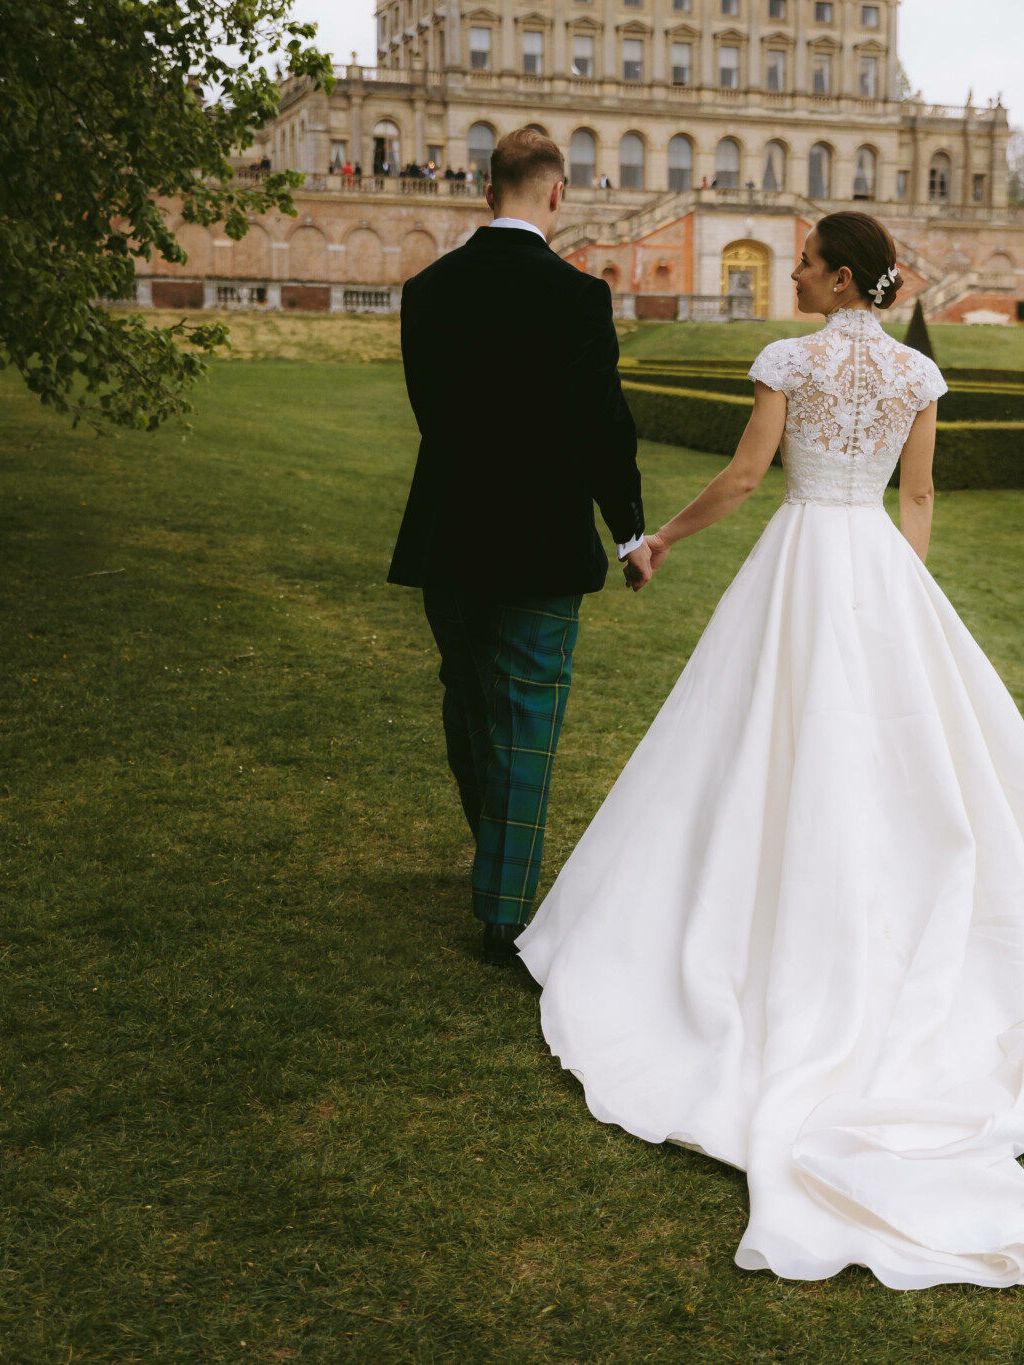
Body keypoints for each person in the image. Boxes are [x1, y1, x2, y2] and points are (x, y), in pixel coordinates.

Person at [517, 211, 1024, 1290]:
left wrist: (660, 539)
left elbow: (749, 480)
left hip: (802, 558)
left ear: (839, 276)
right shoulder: (914, 375)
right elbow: (918, 497)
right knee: (894, 766)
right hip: (880, 572)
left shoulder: (787, 358)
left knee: (752, 745)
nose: (790, 270)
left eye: (803, 260)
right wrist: (901, 595)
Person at [386, 128, 653, 965]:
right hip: (540, 533)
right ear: (557, 194)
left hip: (450, 530)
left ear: (486, 191)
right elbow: (602, 426)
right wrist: (631, 532)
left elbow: (432, 409)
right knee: (525, 712)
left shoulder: (427, 289)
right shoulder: (577, 297)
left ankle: (497, 863)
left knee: (469, 702)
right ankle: (504, 911)